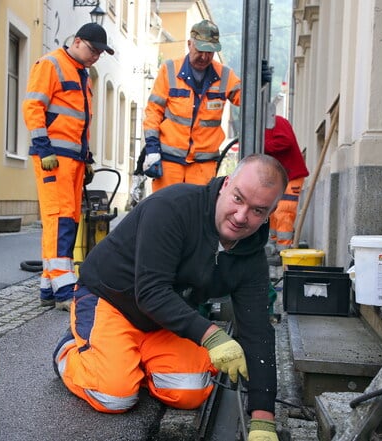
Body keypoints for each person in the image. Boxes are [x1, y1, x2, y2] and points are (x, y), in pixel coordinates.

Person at [53, 154, 287, 441]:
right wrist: (212, 336)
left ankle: (126, 358)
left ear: (269, 214)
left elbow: (258, 332)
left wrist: (263, 418)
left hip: (163, 321)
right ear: (227, 184)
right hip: (112, 301)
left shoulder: (251, 256)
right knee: (114, 395)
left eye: (257, 210)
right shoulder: (172, 208)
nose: (241, 216)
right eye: (238, 199)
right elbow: (151, 291)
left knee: (190, 391)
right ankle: (71, 352)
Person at [22, 23, 114, 311]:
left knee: (69, 218)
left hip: (73, 160)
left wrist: (86, 158)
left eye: (100, 53)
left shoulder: (83, 76)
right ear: (76, 41)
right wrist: (43, 148)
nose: (96, 56)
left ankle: (50, 284)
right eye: (93, 49)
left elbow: (81, 122)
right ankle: (63, 286)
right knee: (59, 217)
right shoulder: (50, 64)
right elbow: (33, 107)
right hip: (54, 157)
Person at [141, 20, 272, 193]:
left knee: (197, 215)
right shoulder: (169, 70)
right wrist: (152, 149)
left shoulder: (225, 75)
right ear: (190, 44)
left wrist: (258, 83)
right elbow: (153, 112)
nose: (204, 57)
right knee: (166, 214)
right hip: (169, 163)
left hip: (203, 165)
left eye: (210, 52)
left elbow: (246, 100)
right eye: (200, 50)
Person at [264, 115, 309, 254]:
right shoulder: (266, 125)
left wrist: (263, 145)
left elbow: (286, 141)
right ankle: (272, 246)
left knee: (284, 211)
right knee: (272, 212)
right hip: (280, 176)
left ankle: (283, 251)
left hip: (291, 175)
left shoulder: (276, 122)